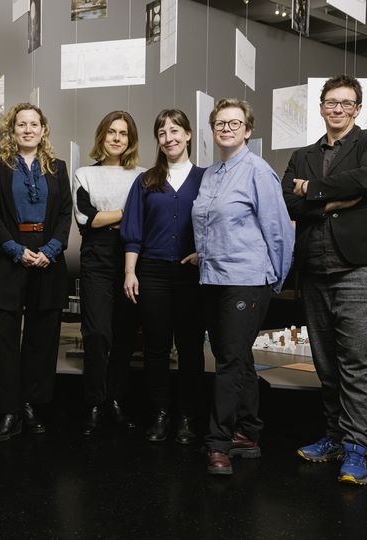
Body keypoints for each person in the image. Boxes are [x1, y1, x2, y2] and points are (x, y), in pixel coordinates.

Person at [282, 74, 367, 485]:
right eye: (331, 102)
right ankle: (335, 437)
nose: (337, 109)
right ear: (320, 108)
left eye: (346, 103)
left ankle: (356, 447)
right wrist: (333, 201)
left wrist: (313, 189)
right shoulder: (302, 155)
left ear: (357, 109)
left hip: (365, 265)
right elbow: (289, 201)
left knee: (359, 362)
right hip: (315, 268)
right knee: (326, 361)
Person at [192, 99, 294, 475]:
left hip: (247, 280)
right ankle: (249, 432)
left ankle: (218, 444)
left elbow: (279, 231)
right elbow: (211, 224)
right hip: (212, 277)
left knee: (229, 361)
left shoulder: (259, 172)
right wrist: (202, 254)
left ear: (248, 130)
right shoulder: (210, 174)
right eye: (220, 123)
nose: (226, 128)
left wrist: (275, 279)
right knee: (234, 356)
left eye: (235, 123)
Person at [0, 103, 72, 442]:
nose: (28, 130)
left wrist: (51, 250)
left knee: (42, 339)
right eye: (22, 124)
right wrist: (16, 250)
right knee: (5, 340)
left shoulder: (58, 168)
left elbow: (65, 213)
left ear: (44, 129)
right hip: (9, 256)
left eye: (34, 124)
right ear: (12, 130)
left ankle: (32, 404)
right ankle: (9, 411)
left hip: (49, 257)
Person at [120, 109, 205, 444]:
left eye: (175, 130)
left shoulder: (206, 179)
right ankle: (160, 413)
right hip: (152, 272)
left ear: (188, 135)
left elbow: (219, 224)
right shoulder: (145, 181)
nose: (169, 138)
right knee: (156, 348)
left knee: (190, 348)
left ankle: (187, 417)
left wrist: (204, 252)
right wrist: (130, 271)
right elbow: (133, 231)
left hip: (191, 274)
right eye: (162, 132)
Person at [72, 111, 145, 437]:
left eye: (123, 133)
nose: (117, 138)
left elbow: (145, 220)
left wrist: (110, 217)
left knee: (125, 335)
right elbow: (86, 219)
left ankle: (115, 400)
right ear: (102, 135)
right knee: (97, 334)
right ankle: (93, 403)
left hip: (132, 259)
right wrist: (127, 214)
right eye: (111, 132)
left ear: (131, 140)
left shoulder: (142, 177)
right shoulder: (84, 174)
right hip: (97, 258)